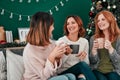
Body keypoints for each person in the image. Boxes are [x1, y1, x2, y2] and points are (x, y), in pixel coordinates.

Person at [22, 11, 76, 80]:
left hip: (50, 77)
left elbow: (54, 72)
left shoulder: (51, 43)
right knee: (64, 78)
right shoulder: (29, 50)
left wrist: (58, 57)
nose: (53, 28)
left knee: (71, 76)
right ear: (44, 28)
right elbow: (43, 76)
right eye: (52, 25)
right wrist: (51, 57)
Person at [56, 15, 97, 80]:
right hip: (64, 72)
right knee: (82, 66)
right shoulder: (62, 41)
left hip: (79, 70)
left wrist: (83, 58)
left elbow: (87, 64)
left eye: (73, 23)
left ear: (79, 25)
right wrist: (66, 54)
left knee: (82, 75)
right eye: (68, 24)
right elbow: (58, 65)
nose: (70, 26)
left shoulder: (84, 42)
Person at [89, 10, 120, 80]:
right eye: (98, 21)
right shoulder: (93, 38)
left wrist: (110, 49)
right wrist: (94, 50)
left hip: (113, 70)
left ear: (110, 20)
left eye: (103, 19)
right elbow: (92, 61)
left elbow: (119, 62)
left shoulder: (118, 38)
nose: (100, 22)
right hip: (97, 69)